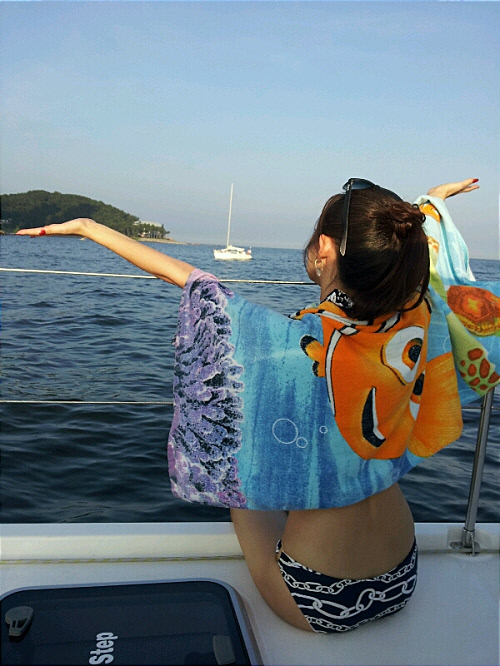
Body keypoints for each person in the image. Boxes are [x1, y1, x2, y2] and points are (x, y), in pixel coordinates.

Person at [16, 177, 480, 633]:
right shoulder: (418, 318)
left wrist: (90, 228)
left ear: (324, 248)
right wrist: (432, 203)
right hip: (403, 573)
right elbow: (425, 258)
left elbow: (188, 278)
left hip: (319, 597)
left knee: (239, 484)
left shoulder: (298, 341)